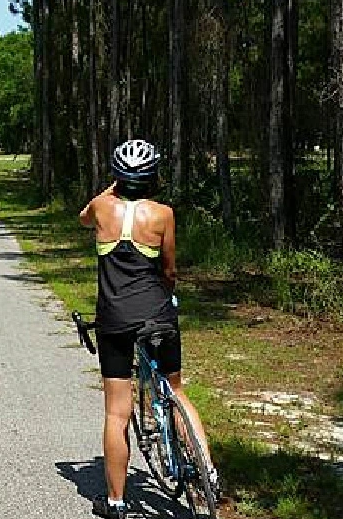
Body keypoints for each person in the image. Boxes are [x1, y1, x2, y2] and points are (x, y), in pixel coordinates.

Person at [78, 139, 218, 519]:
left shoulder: (101, 208)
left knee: (117, 414)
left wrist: (110, 189)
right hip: (158, 315)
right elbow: (169, 270)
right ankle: (208, 471)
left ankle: (117, 501)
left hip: (114, 321)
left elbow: (83, 217)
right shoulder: (163, 214)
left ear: (117, 174)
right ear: (153, 174)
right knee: (176, 390)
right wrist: (166, 295)